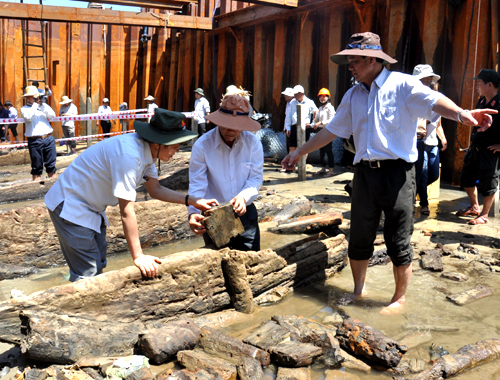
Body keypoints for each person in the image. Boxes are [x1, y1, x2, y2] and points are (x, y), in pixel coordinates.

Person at [281, 32, 496, 314]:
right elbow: (333, 130)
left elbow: (434, 101)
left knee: (398, 238)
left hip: (398, 173)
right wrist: (299, 152)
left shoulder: (403, 84)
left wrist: (461, 114)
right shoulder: (352, 94)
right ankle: (359, 290)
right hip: (364, 175)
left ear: (372, 59)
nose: (351, 68)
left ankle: (398, 299)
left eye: (355, 61)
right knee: (359, 235)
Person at [44, 108, 218, 282]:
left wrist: (192, 201)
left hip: (91, 207)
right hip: (70, 205)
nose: (177, 151)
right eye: (174, 146)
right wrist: (138, 256)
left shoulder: (147, 152)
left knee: (99, 263)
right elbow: (126, 212)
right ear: (159, 143)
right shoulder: (128, 155)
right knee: (88, 273)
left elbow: (155, 190)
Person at [187, 95, 263, 251]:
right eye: (226, 125)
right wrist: (193, 212)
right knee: (217, 266)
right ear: (218, 121)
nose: (231, 131)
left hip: (245, 212)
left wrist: (243, 196)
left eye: (237, 127)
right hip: (214, 214)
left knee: (253, 263)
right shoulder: (202, 145)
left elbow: (255, 178)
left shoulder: (253, 143)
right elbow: (197, 183)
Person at [456, 69, 500, 225]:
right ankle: (474, 207)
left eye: (479, 83)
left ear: (490, 84)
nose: (477, 87)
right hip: (476, 147)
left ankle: (484, 215)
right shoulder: (482, 102)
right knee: (466, 178)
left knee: (489, 183)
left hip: (490, 151)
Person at [412, 65, 448, 215]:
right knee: (423, 173)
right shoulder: (413, 98)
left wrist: (443, 139)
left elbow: (438, 123)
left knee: (433, 174)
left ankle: (412, 192)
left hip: (432, 143)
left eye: (429, 80)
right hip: (418, 142)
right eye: (424, 80)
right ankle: (423, 202)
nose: (428, 83)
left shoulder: (435, 101)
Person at [21, 85, 58, 181]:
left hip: (48, 138)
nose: (35, 99)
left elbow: (52, 116)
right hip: (35, 140)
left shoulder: (43, 106)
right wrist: (36, 105)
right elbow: (28, 117)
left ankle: (53, 187)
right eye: (33, 97)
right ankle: (36, 188)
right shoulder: (25, 108)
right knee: (36, 167)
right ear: (27, 98)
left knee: (51, 165)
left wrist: (41, 105)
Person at [284, 85, 318, 154]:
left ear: (302, 94)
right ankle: (292, 163)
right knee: (292, 146)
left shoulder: (309, 102)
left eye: (296, 95)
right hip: (294, 126)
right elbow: (289, 115)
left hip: (305, 126)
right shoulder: (292, 102)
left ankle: (302, 163)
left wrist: (312, 125)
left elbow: (316, 112)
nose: (295, 96)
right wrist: (288, 128)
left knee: (304, 147)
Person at [313, 88, 336, 177]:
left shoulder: (330, 108)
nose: (322, 98)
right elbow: (316, 121)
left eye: (324, 96)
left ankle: (331, 170)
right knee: (321, 150)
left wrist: (321, 122)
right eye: (320, 96)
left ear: (328, 97)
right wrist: (315, 116)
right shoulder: (320, 108)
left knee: (328, 150)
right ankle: (323, 168)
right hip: (321, 130)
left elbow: (332, 120)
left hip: (328, 131)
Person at [281, 87, 295, 154]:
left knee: (292, 145)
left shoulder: (294, 103)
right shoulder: (288, 103)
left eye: (286, 95)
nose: (285, 96)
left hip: (292, 127)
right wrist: (285, 127)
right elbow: (287, 116)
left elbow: (291, 117)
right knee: (288, 145)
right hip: (288, 127)